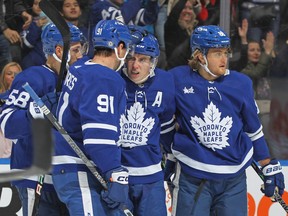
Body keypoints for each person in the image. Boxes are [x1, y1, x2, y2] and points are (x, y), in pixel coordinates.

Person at [166, 25, 285, 216]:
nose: (224, 59)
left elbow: (253, 130)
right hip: (194, 177)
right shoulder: (176, 79)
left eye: (225, 52)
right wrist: (167, 156)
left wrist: (267, 164)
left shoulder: (241, 83)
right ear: (199, 55)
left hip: (233, 180)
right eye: (217, 53)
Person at [0, 22, 85, 216]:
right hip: (35, 178)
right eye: (76, 49)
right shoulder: (33, 77)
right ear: (58, 50)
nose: (81, 55)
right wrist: (38, 111)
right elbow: (8, 124)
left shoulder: (76, 80)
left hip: (67, 177)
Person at [52, 19, 133, 215]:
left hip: (71, 166)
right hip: (80, 167)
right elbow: (98, 136)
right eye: (127, 49)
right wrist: (114, 172)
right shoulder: (103, 78)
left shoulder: (80, 67)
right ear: (120, 47)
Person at [118, 27, 175, 215]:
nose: (135, 66)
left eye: (142, 59)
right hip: (117, 177)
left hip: (151, 179)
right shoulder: (111, 81)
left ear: (153, 62)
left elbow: (167, 126)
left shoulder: (165, 82)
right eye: (131, 58)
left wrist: (172, 157)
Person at [0, 61, 22, 158]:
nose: (13, 76)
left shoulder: (25, 96)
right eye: (9, 74)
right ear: (3, 77)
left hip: (17, 134)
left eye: (17, 74)